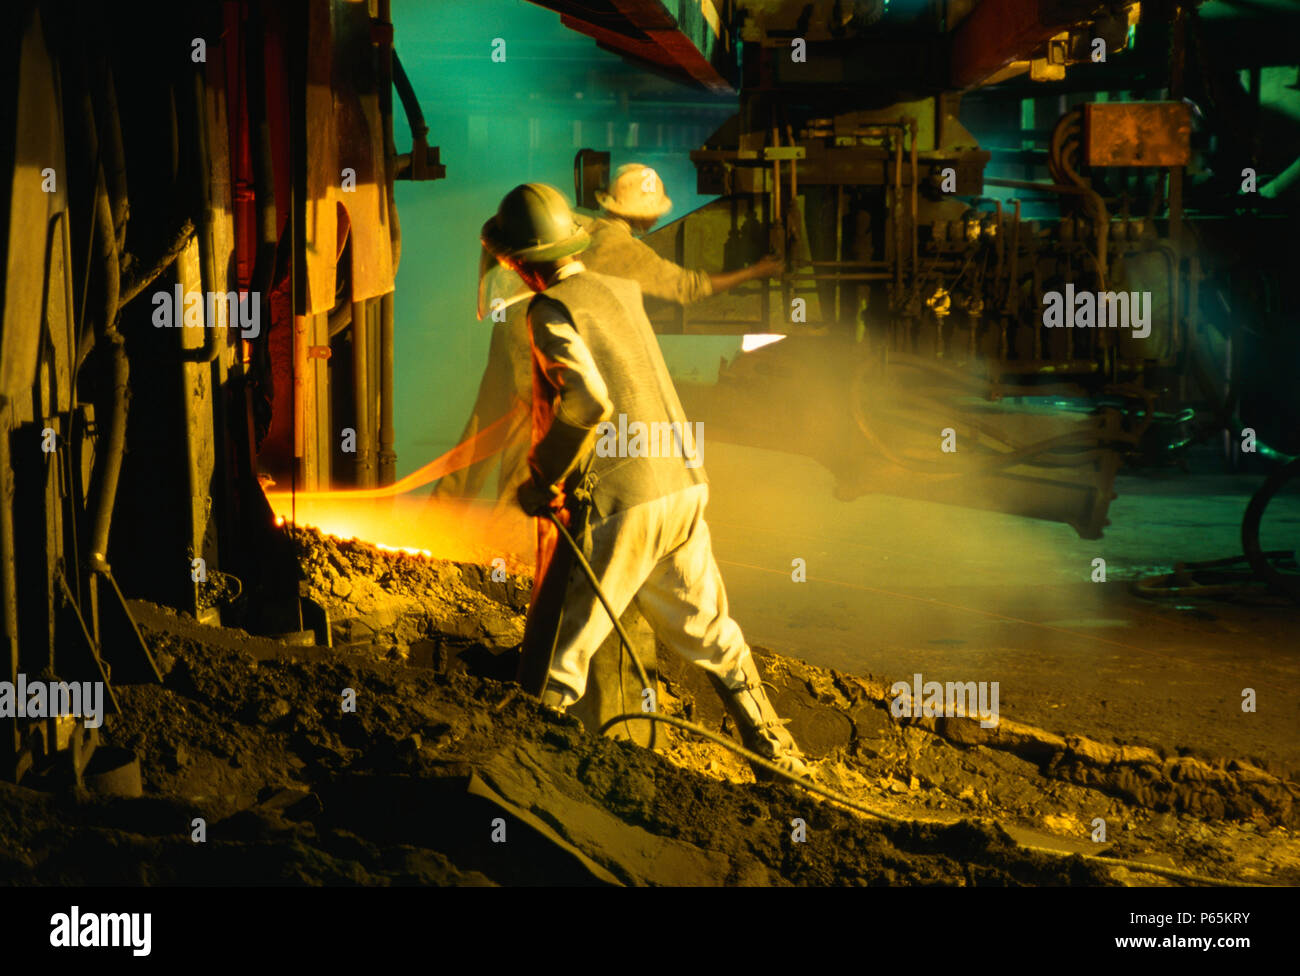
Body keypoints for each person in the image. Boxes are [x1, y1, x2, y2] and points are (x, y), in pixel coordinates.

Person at [480, 182, 809, 777]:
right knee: (711, 631)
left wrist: (541, 475)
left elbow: (587, 401)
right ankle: (779, 757)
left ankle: (522, 780)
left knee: (555, 659)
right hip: (682, 483)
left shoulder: (549, 309)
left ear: (521, 263)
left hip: (624, 503)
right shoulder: (617, 290)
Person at [585, 162, 782, 304]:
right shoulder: (624, 249)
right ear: (639, 213)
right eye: (655, 212)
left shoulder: (592, 230)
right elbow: (688, 286)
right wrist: (755, 271)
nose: (658, 218)